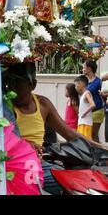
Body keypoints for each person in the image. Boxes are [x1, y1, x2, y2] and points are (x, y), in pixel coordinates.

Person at [6, 63, 105, 195]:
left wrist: (101, 148)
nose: (13, 89)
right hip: (14, 166)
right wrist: (24, 145)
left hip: (39, 164)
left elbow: (69, 134)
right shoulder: (6, 107)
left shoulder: (43, 104)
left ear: (33, 84)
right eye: (10, 84)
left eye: (17, 84)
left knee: (77, 184)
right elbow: (2, 140)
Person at [82, 60, 105, 142]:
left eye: (84, 67)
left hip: (97, 110)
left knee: (94, 134)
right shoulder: (86, 81)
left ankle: (100, 152)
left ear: (89, 69)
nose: (83, 69)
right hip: (89, 111)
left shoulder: (99, 82)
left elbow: (104, 96)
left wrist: (103, 95)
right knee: (89, 135)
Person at [74, 75, 95, 140]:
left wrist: (84, 113)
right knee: (82, 141)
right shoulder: (83, 94)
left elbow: (93, 105)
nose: (75, 87)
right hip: (82, 122)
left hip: (85, 123)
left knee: (86, 142)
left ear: (81, 84)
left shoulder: (87, 93)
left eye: (76, 85)